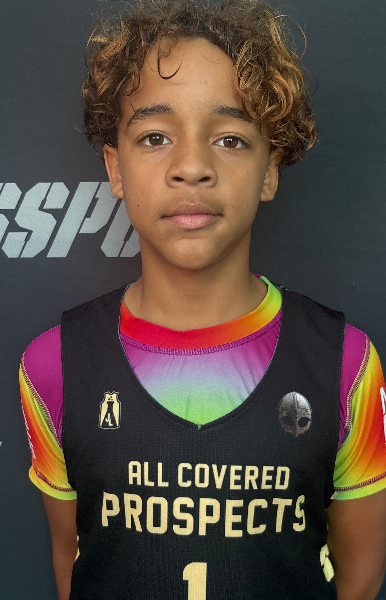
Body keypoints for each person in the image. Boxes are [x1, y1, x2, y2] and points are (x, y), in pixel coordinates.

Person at [19, 0, 386, 598]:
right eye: (155, 136)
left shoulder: (345, 365)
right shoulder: (53, 366)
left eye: (231, 139)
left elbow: (360, 578)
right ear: (115, 168)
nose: (191, 166)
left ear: (271, 169)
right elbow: (74, 560)